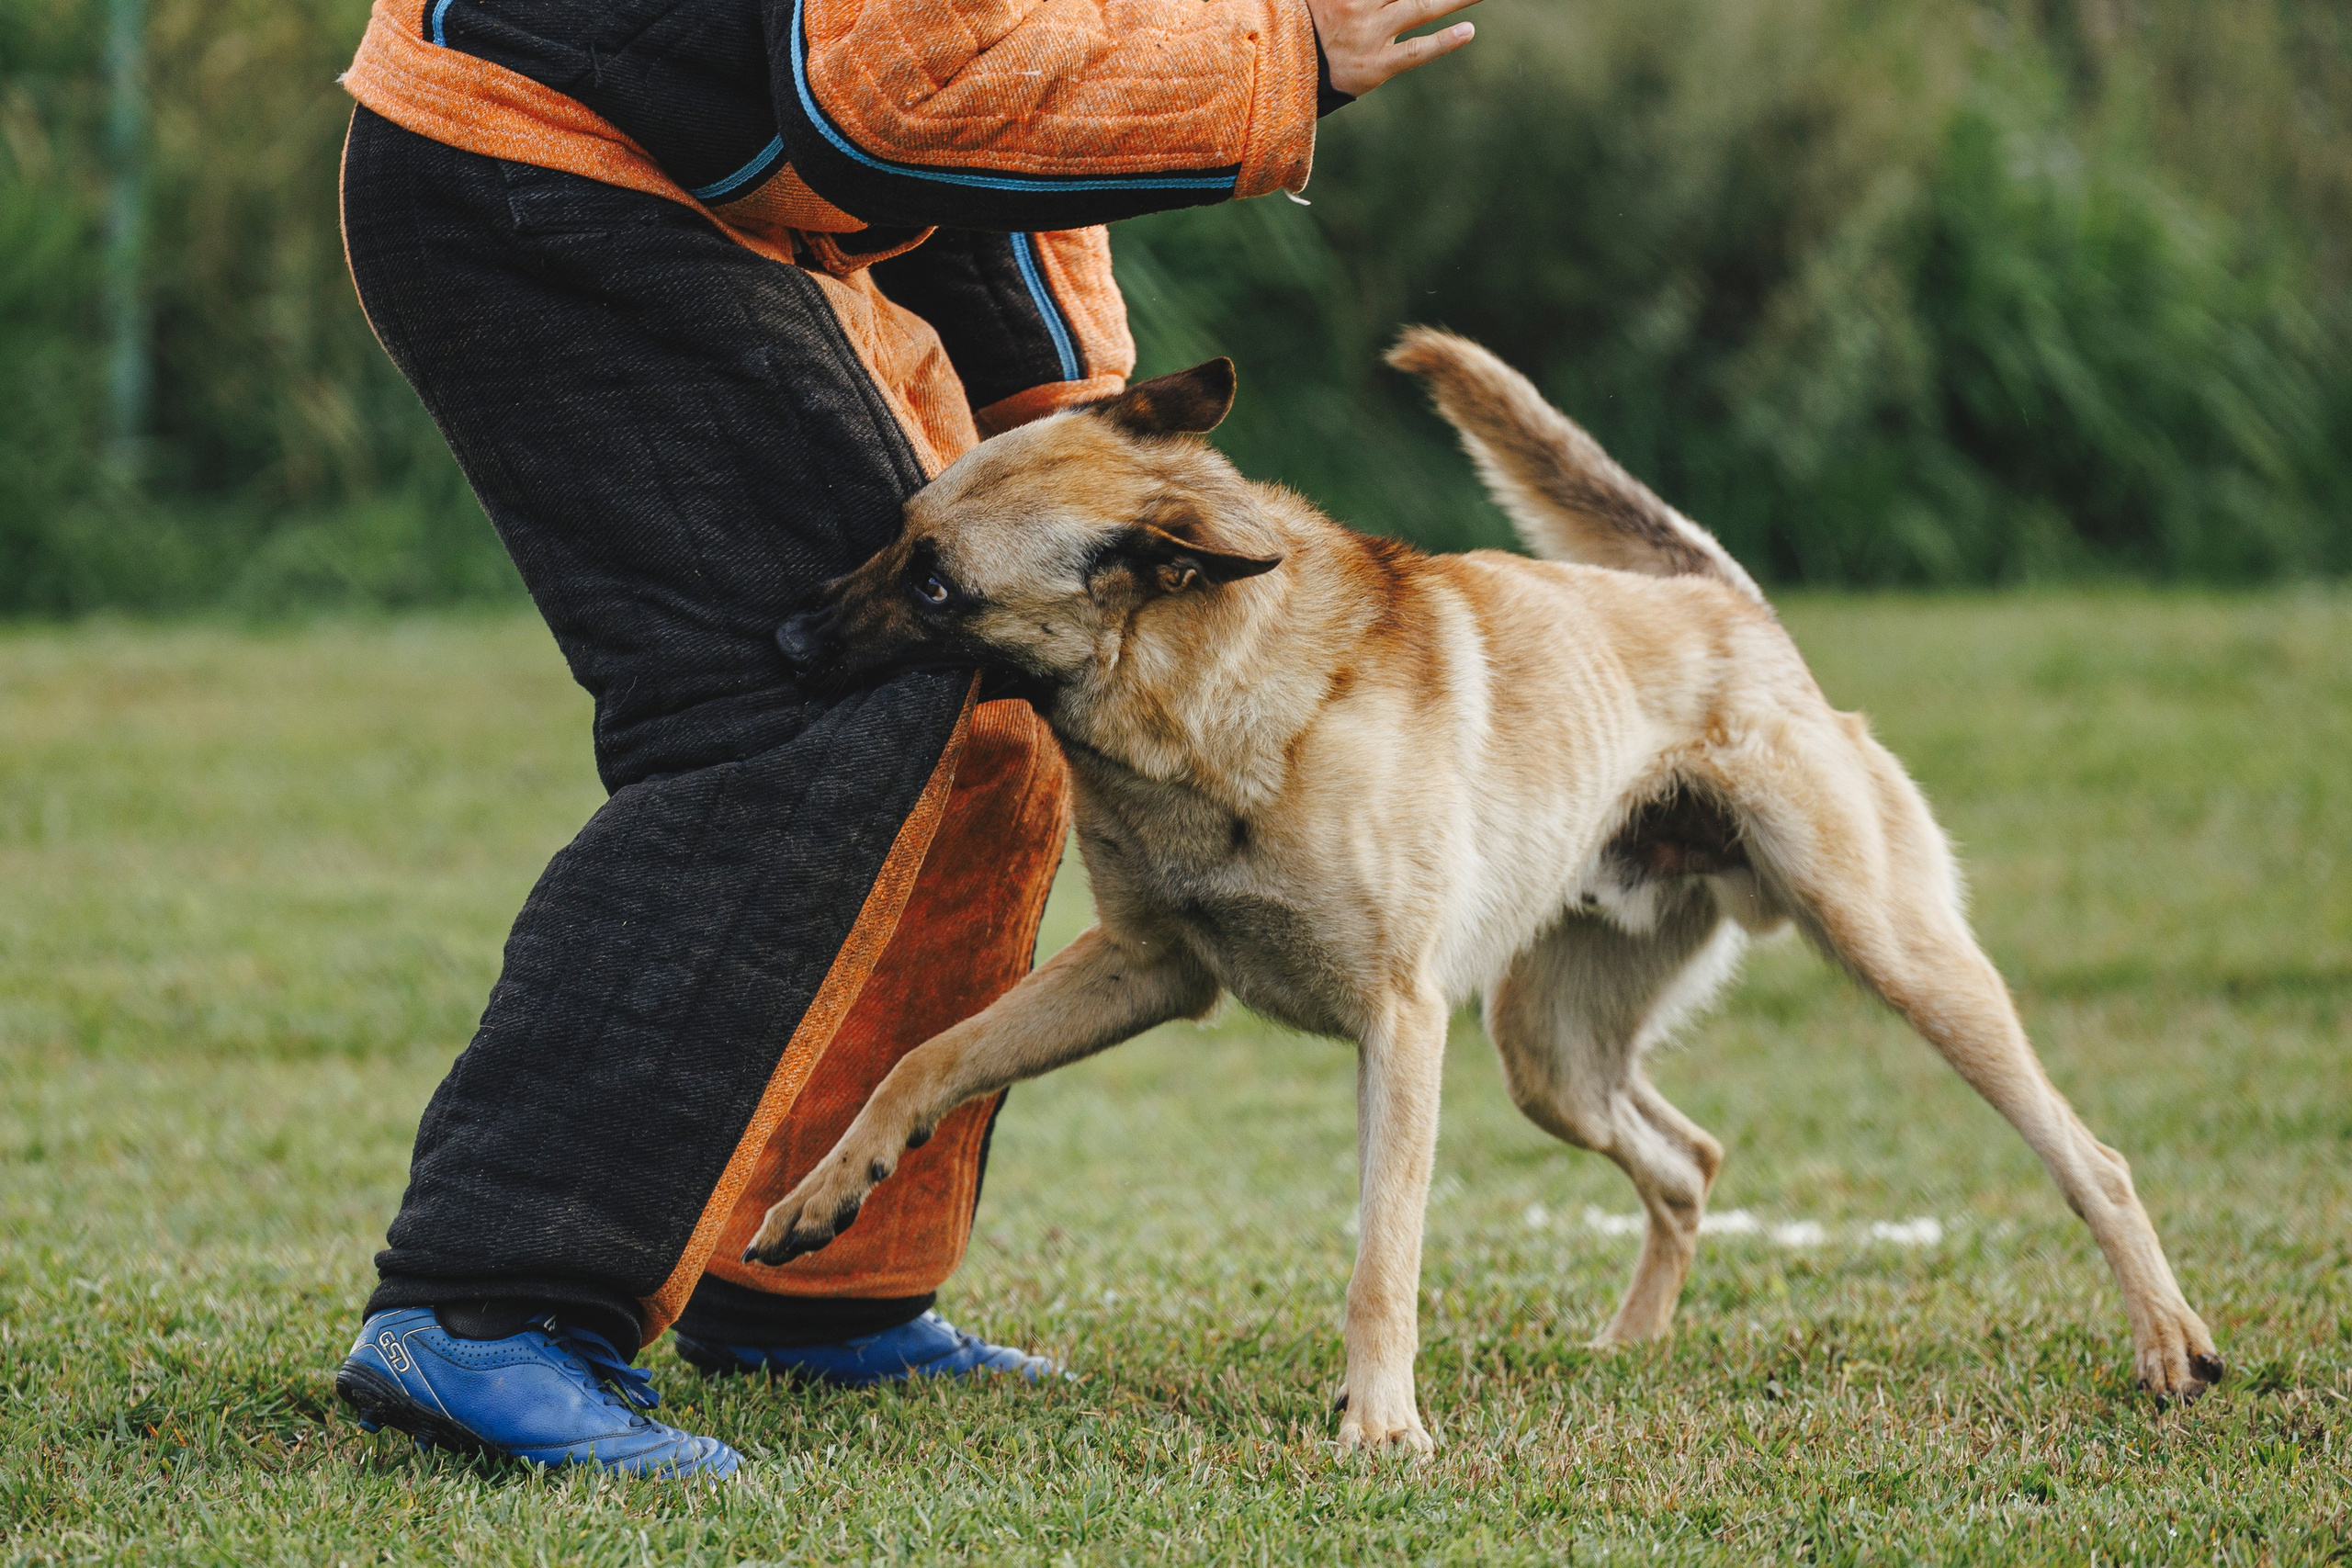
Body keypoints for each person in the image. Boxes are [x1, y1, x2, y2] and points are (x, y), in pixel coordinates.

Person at [329, 0, 1482, 1479]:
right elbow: (884, 88)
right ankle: (486, 1309)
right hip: (548, 171)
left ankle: (819, 1289)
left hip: (725, 179)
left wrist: (1074, 426)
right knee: (790, 700)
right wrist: (1280, 63)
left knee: (996, 683)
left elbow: (1019, 104)